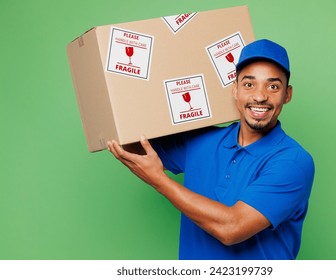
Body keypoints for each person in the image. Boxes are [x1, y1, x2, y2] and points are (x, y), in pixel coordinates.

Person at [107, 39, 315, 260]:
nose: (260, 96)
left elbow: (232, 228)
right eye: (249, 84)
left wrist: (159, 180)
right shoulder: (202, 140)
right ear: (235, 90)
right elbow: (127, 140)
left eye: (273, 86)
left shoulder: (293, 162)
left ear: (287, 94)